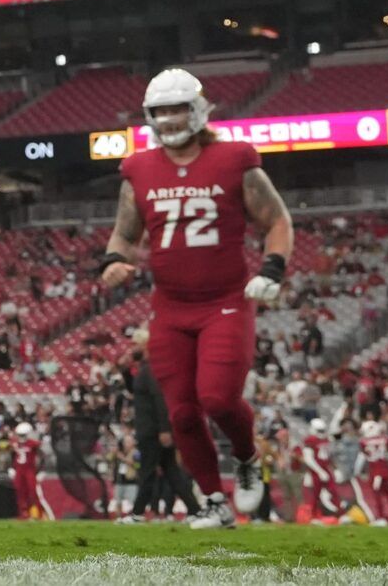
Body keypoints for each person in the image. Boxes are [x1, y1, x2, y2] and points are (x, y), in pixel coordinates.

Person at [99, 68, 294, 529]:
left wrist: (273, 267)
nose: (168, 119)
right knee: (182, 413)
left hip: (224, 299)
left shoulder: (233, 158)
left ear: (198, 109)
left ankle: (247, 459)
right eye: (160, 110)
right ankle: (213, 502)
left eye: (177, 108)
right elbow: (125, 233)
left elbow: (277, 220)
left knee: (219, 400)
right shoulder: (139, 168)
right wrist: (112, 261)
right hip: (169, 307)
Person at [118, 349, 198, 522]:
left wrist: (164, 429)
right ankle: (195, 510)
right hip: (153, 429)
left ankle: (137, 513)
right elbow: (135, 390)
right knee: (172, 472)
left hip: (152, 431)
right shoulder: (146, 371)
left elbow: (160, 399)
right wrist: (125, 371)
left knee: (147, 472)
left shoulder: (152, 371)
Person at [294, 418, 342, 524]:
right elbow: (308, 459)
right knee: (315, 494)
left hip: (326, 468)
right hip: (315, 471)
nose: (321, 433)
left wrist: (335, 469)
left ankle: (339, 515)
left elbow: (329, 456)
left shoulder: (326, 439)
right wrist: (320, 471)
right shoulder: (309, 440)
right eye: (319, 430)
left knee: (333, 491)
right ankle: (314, 516)